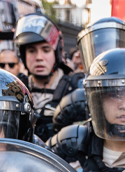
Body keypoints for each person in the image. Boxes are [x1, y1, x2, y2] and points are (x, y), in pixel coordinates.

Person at [14, 13, 80, 141]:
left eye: (46, 50)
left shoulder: (74, 87)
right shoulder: (15, 88)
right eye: (32, 51)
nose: (39, 57)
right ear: (23, 54)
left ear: (56, 52)